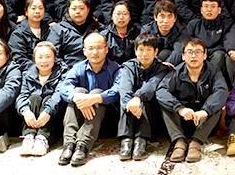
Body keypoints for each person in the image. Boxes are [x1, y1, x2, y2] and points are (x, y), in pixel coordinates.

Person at [156, 37, 228, 163]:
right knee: (166, 102)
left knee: (215, 101)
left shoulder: (213, 71)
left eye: (198, 52)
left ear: (205, 55)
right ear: (183, 56)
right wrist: (180, 108)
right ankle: (179, 142)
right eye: (189, 52)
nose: (193, 56)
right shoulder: (176, 72)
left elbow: (221, 91)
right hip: (182, 120)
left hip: (203, 122)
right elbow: (161, 91)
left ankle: (196, 143)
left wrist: (205, 111)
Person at [57, 31, 122, 166]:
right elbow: (64, 88)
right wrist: (78, 98)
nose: (95, 52)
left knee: (97, 93)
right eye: (90, 48)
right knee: (77, 92)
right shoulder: (78, 68)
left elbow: (117, 91)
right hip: (82, 120)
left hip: (106, 120)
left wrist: (96, 98)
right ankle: (69, 144)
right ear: (84, 51)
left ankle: (83, 146)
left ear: (106, 49)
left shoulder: (116, 69)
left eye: (99, 48)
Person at [117, 33, 170, 161]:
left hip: (151, 113)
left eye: (149, 50)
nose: (144, 54)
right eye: (141, 50)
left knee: (147, 98)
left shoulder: (162, 69)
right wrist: (131, 104)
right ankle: (126, 140)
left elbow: (152, 85)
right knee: (126, 100)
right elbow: (124, 88)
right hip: (132, 111)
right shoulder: (129, 66)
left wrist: (138, 97)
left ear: (156, 51)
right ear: (135, 51)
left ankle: (141, 141)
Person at [16, 40, 65, 157]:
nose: (44, 61)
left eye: (48, 56)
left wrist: (47, 111)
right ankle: (29, 136)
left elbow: (59, 94)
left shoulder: (63, 72)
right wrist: (25, 111)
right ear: (34, 59)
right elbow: (22, 95)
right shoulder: (27, 74)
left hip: (53, 116)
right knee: (34, 98)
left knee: (49, 98)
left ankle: (42, 138)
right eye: (40, 57)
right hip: (33, 116)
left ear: (55, 58)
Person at [47, 0, 100, 67]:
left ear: (88, 9)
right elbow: (53, 55)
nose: (77, 11)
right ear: (68, 9)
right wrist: (67, 70)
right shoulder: (57, 29)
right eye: (74, 9)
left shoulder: (99, 28)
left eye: (81, 8)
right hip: (68, 69)